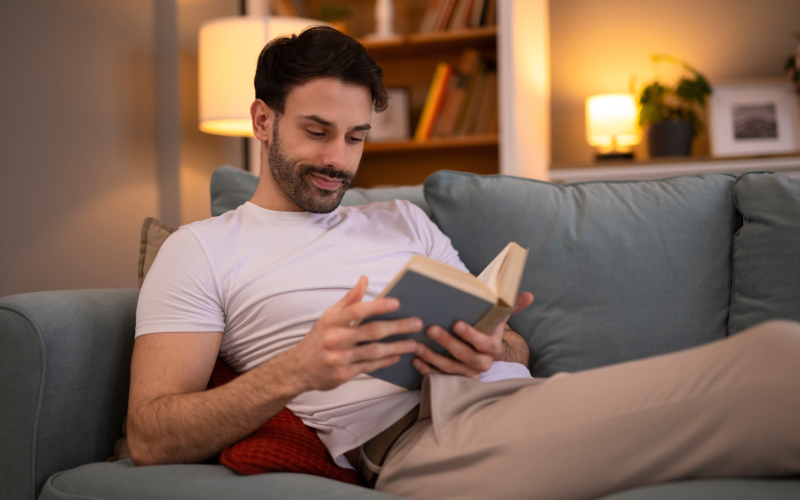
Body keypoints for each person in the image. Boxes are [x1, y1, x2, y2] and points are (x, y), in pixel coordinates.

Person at [128, 26, 800, 500]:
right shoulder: (203, 247)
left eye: (356, 137)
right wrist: (298, 369)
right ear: (263, 120)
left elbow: (510, 343)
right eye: (316, 131)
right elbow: (150, 434)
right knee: (775, 363)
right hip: (418, 440)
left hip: (507, 397)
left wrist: (495, 341)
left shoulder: (403, 220)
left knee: (775, 361)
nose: (339, 159)